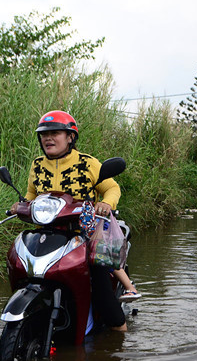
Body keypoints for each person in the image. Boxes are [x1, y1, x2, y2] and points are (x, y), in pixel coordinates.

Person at [16, 110, 139, 330]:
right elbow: (31, 195)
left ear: (70, 137)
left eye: (55, 133)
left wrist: (106, 203)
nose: (48, 138)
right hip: (47, 233)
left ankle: (118, 328)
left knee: (99, 275)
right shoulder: (37, 165)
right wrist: (21, 206)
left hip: (82, 232)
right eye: (44, 134)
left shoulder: (87, 163)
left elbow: (111, 187)